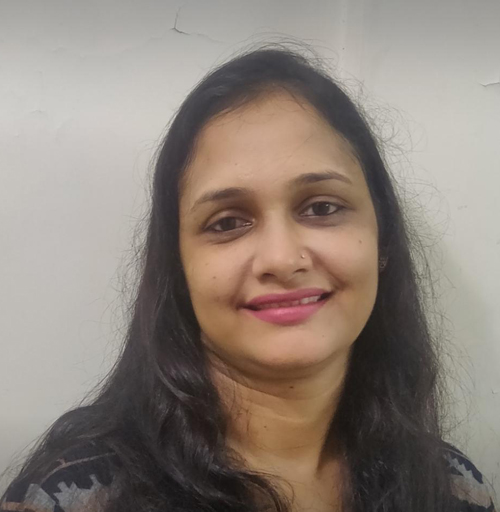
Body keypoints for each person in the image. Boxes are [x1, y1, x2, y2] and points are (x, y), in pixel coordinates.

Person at [0, 45, 496, 512]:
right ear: (179, 266)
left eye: (322, 208)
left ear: (383, 239)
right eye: (228, 222)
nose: (281, 259)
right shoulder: (74, 498)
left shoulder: (454, 490)